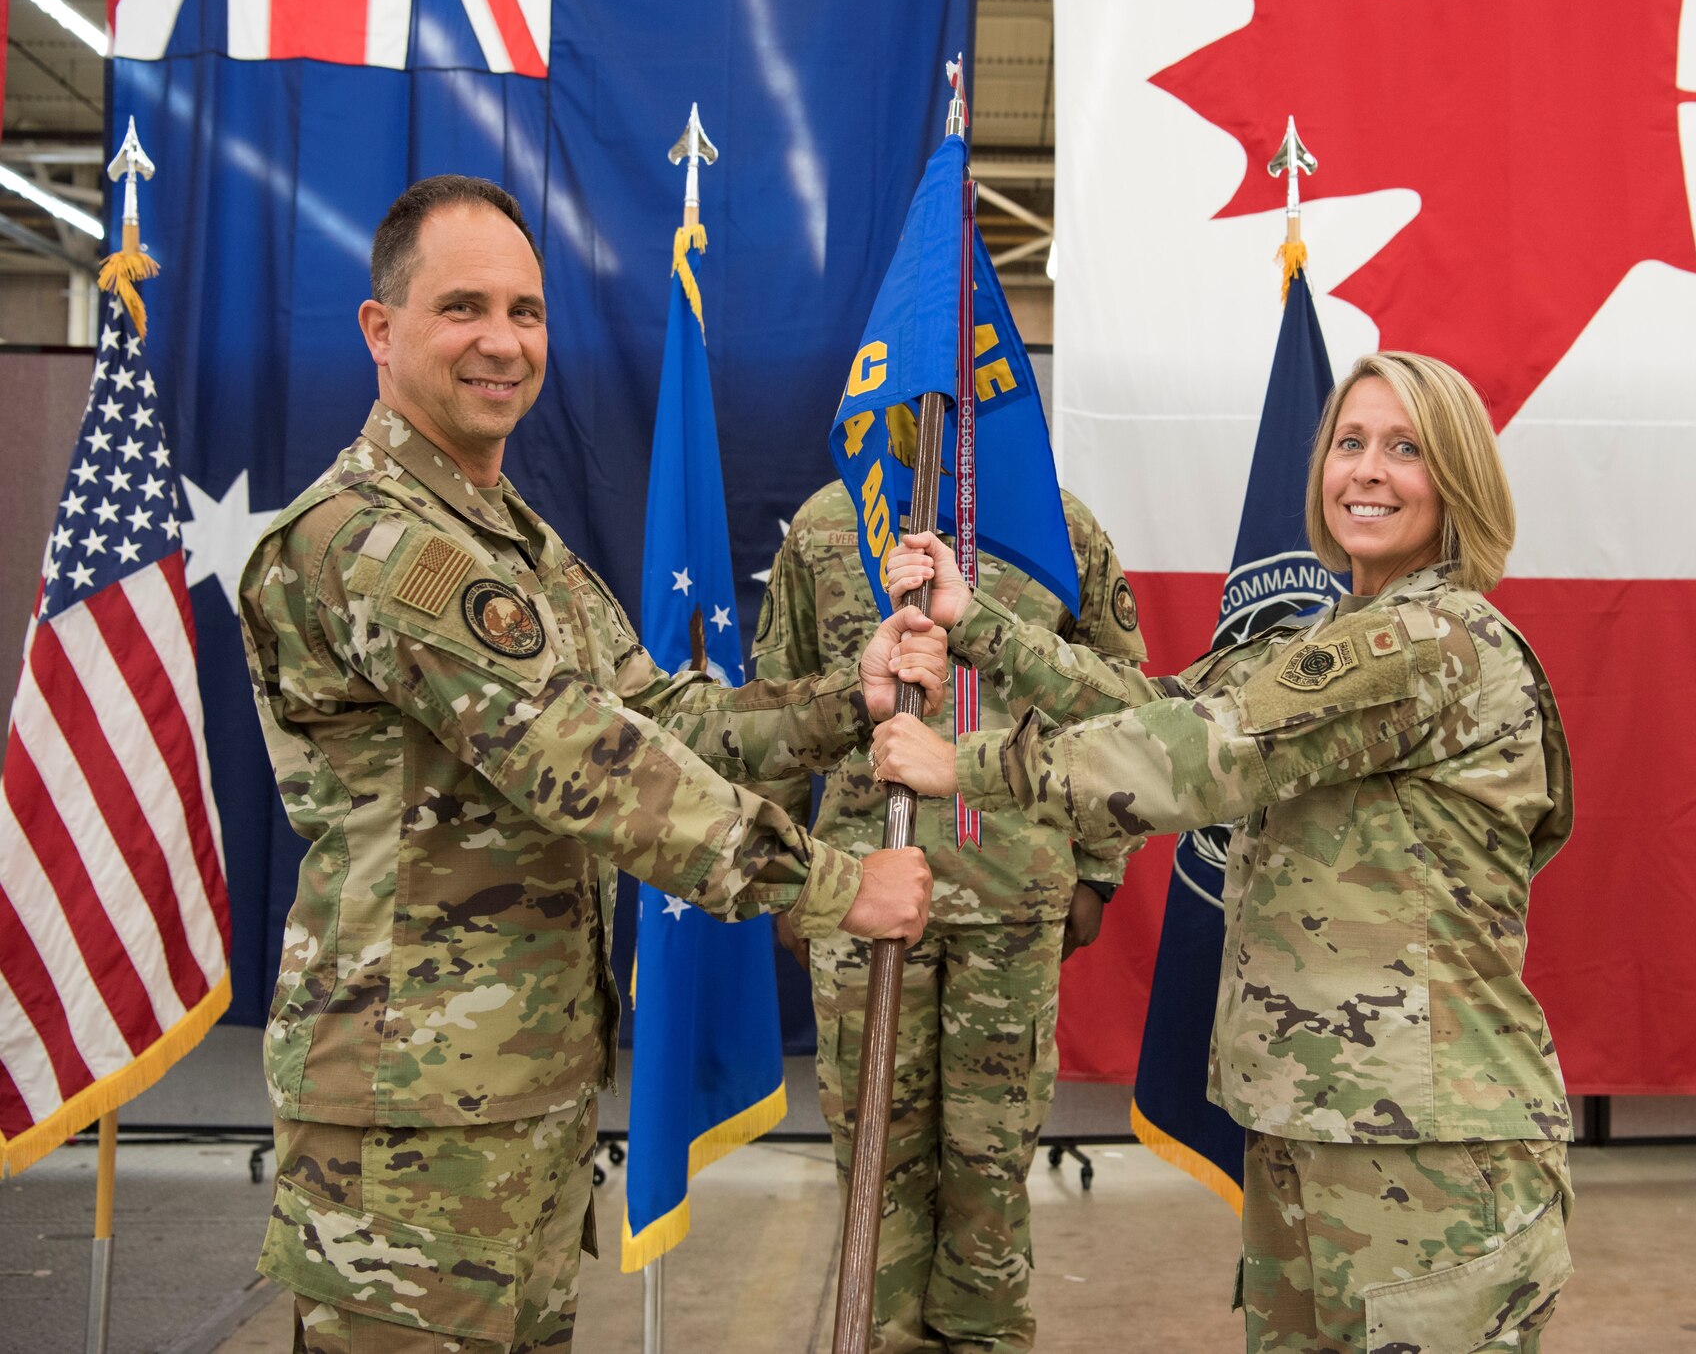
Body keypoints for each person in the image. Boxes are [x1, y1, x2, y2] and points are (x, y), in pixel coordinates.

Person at [237, 175, 945, 1354]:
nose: (502, 342)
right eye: (462, 307)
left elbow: (658, 711)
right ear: (380, 328)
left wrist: (845, 700)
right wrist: (832, 883)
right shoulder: (374, 540)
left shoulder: (506, 535)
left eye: (526, 311)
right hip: (409, 1121)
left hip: (515, 1090)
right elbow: (589, 762)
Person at [872, 352, 1576, 1354]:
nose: (1366, 471)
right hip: (1314, 1122)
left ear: (1457, 478)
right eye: (1348, 443)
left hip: (1427, 1151)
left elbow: (1205, 754)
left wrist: (965, 765)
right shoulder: (1329, 637)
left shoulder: (1428, 643)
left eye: (1404, 448)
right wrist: (970, 617)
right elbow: (1162, 706)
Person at [752, 480, 1148, 1354]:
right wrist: (787, 874)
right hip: (862, 899)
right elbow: (774, 694)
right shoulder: (826, 523)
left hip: (1015, 899)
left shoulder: (1055, 523)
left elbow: (1124, 702)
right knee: (875, 1169)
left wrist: (1099, 870)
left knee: (991, 1171)